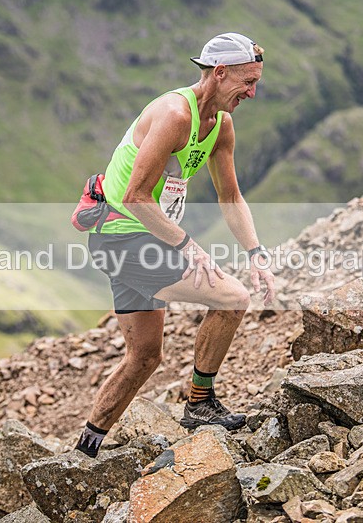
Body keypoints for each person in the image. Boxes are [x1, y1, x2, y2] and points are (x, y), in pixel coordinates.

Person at [76, 32, 276, 458]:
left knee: (144, 358)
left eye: (256, 82)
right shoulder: (173, 114)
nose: (253, 93)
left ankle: (84, 451)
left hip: (142, 239)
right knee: (232, 298)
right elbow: (135, 196)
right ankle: (200, 405)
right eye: (247, 82)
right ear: (220, 73)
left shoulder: (221, 125)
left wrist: (257, 254)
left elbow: (231, 197)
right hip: (123, 239)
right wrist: (189, 246)